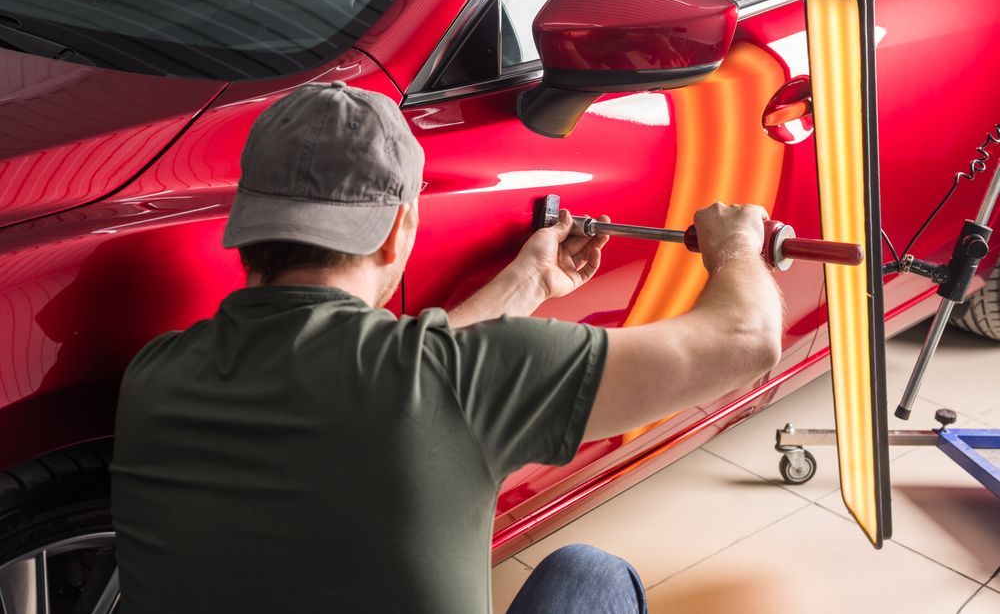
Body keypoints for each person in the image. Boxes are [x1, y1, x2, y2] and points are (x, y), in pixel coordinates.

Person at [111, 82, 783, 614]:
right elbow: (745, 340)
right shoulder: (459, 380)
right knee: (593, 576)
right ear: (396, 231)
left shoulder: (154, 378)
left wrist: (525, 283)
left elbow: (398, 384)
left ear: (248, 219)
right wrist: (736, 247)